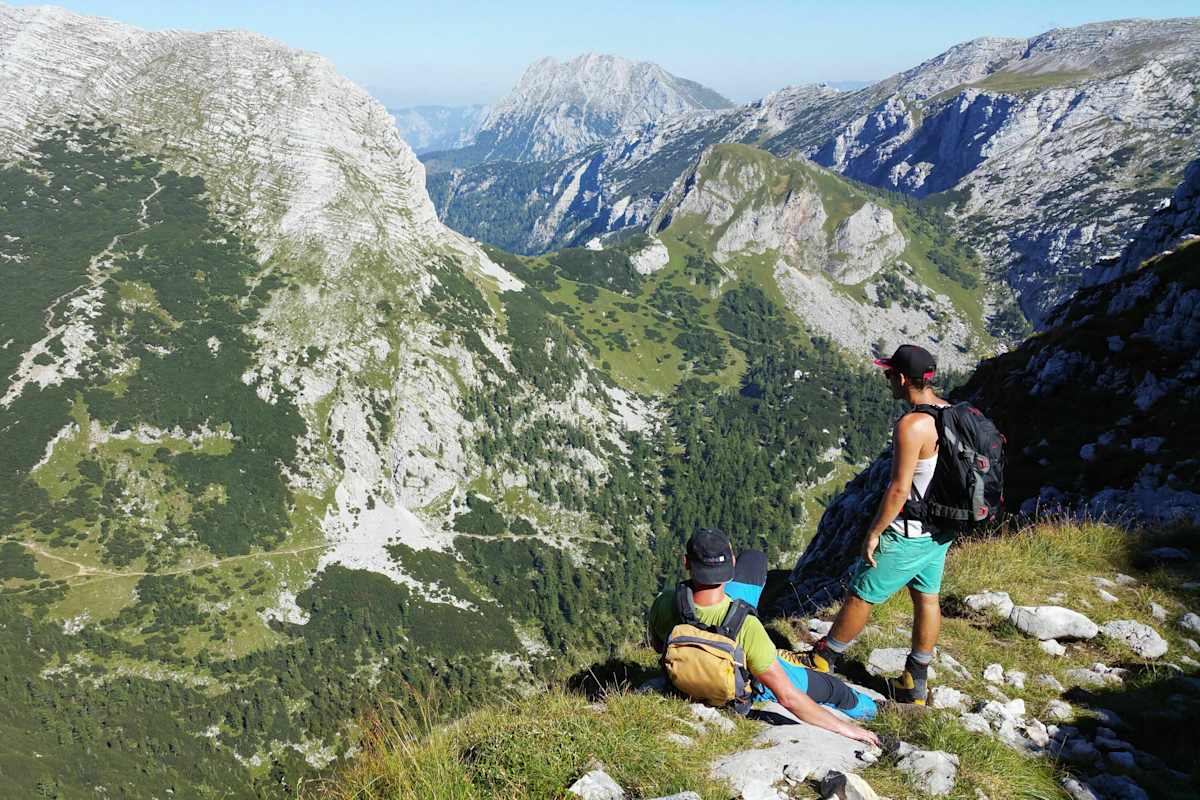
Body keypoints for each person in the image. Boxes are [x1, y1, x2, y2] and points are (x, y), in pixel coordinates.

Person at [799, 344, 952, 704]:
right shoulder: (953, 412)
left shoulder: (914, 425)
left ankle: (824, 657)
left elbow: (899, 489)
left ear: (901, 378)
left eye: (888, 375)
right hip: (941, 530)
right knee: (926, 598)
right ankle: (915, 680)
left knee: (861, 593)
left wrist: (874, 533)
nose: (887, 381)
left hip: (910, 531)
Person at [648, 528, 880, 745]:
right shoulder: (748, 626)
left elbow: (660, 647)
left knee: (754, 559)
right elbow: (788, 697)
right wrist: (849, 730)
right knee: (834, 689)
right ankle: (876, 710)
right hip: (745, 686)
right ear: (731, 565)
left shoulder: (665, 602)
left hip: (686, 677)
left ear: (686, 562)